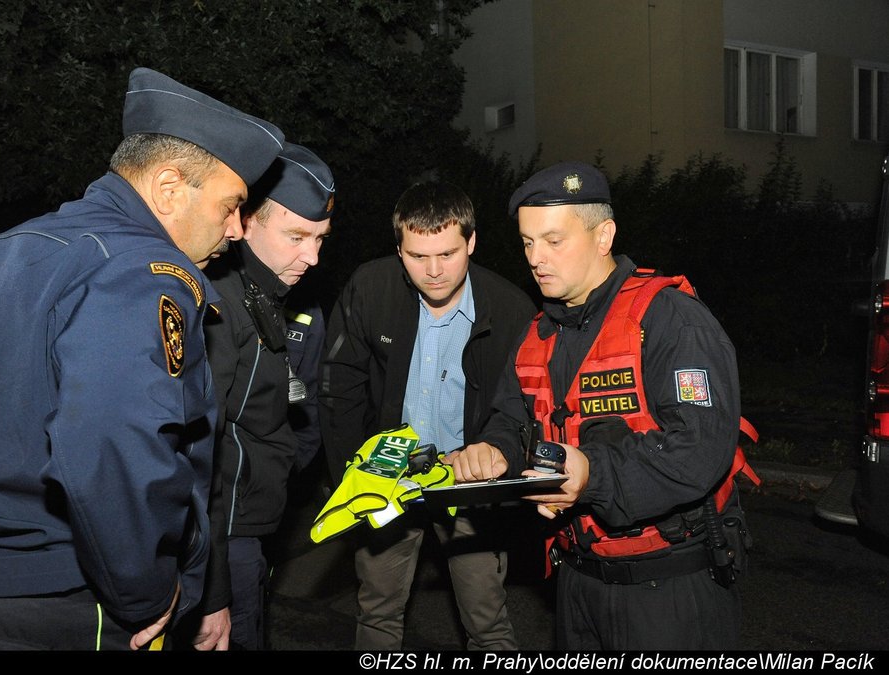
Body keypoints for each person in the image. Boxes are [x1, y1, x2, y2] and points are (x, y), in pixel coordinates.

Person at [0, 67, 284, 651]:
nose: (237, 230)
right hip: (53, 604)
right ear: (167, 187)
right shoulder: (143, 270)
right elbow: (113, 445)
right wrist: (145, 591)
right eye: (231, 205)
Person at [449, 161, 758, 650]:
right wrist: (494, 450)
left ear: (603, 235)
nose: (536, 258)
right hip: (576, 581)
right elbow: (511, 418)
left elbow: (699, 450)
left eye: (554, 240)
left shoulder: (670, 320)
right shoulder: (537, 334)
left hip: (669, 589)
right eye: (528, 242)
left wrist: (593, 475)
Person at [319, 181, 536, 650]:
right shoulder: (370, 288)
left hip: (469, 484)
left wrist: (497, 454)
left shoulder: (512, 309)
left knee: (486, 620)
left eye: (448, 253)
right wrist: (352, 476)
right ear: (399, 250)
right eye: (418, 256)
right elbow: (339, 387)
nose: (434, 271)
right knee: (377, 611)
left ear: (472, 242)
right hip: (390, 480)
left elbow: (523, 407)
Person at [192, 142, 335, 650]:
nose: (312, 257)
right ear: (245, 221)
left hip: (250, 528)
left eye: (320, 239)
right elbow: (196, 451)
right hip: (220, 543)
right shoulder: (216, 300)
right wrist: (212, 591)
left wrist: (277, 474)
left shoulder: (269, 297)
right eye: (296, 236)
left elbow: (292, 413)